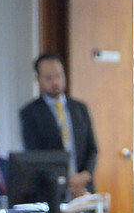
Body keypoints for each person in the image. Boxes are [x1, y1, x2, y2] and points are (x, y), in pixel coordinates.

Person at [18, 53, 95, 198]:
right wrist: (66, 181)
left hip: (83, 188)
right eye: (48, 78)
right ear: (39, 80)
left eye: (58, 75)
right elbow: (35, 156)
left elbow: (92, 148)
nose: (55, 82)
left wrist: (86, 174)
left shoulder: (79, 108)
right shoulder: (29, 113)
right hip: (51, 191)